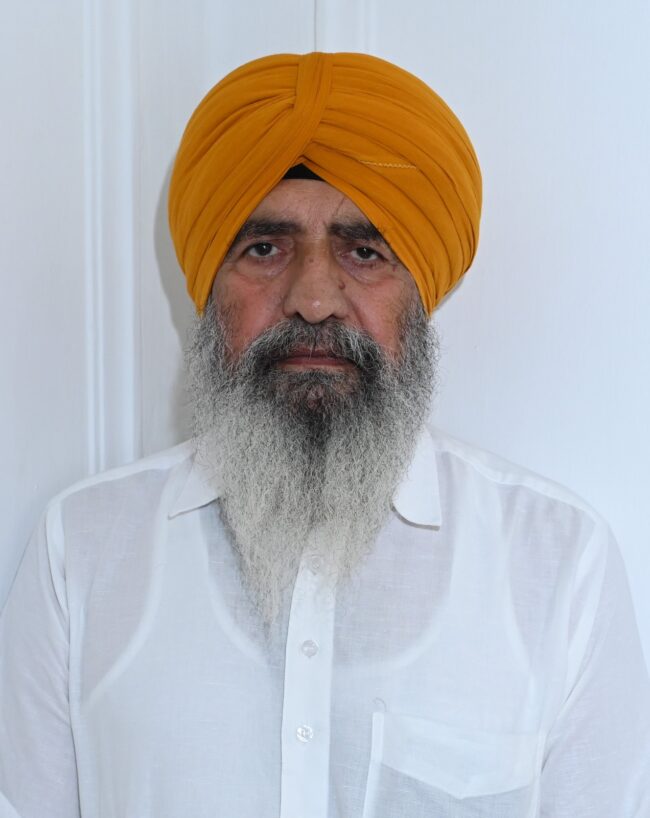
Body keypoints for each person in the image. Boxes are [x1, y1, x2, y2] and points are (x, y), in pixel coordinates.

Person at [0, 51, 648, 818]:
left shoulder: (558, 565)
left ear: (421, 293)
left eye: (364, 252)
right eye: (264, 249)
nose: (313, 299)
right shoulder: (81, 550)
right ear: (210, 288)